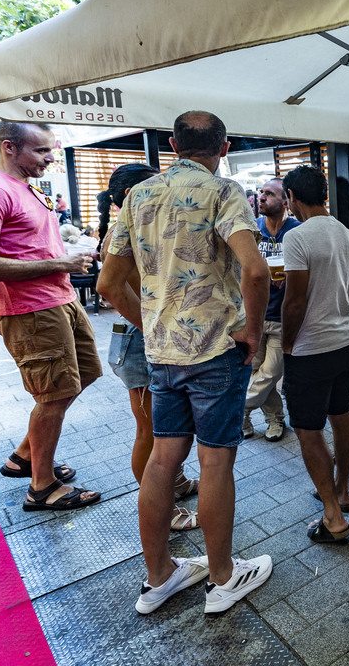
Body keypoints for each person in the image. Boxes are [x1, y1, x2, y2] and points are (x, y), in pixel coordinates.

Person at [98, 110, 273, 616]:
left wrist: (152, 323)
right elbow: (256, 271)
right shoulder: (223, 192)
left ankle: (159, 576)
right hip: (217, 350)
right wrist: (253, 333)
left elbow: (109, 285)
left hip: (162, 354)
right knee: (215, 460)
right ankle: (222, 578)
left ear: (173, 144)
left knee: (161, 459)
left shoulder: (138, 195)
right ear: (225, 146)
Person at [0, 121, 101, 511]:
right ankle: (42, 487)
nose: (51, 158)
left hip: (59, 298)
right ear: (9, 147)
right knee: (55, 393)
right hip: (29, 309)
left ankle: (24, 457)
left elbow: (29, 246)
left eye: (51, 149)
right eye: (41, 151)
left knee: (83, 375)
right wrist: (56, 262)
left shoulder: (26, 187)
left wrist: (68, 256)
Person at [98, 163, 200, 532]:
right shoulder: (120, 235)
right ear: (131, 196)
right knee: (152, 432)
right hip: (139, 339)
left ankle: (175, 485)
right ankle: (163, 509)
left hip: (146, 336)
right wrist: (151, 326)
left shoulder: (142, 227)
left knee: (168, 429)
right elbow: (109, 288)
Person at [279, 164, 349, 543]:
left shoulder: (297, 238)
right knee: (341, 415)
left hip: (311, 347)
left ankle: (332, 516)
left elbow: (294, 301)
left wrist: (286, 342)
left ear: (293, 198)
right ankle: (342, 490)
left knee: (307, 428)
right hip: (345, 340)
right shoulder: (348, 235)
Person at [242, 178, 300, 442]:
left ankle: (236, 410)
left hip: (281, 316)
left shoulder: (296, 232)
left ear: (286, 201)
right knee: (256, 372)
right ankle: (275, 419)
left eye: (270, 194)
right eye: (261, 193)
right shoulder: (253, 230)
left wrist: (291, 276)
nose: (261, 197)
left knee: (271, 373)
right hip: (253, 315)